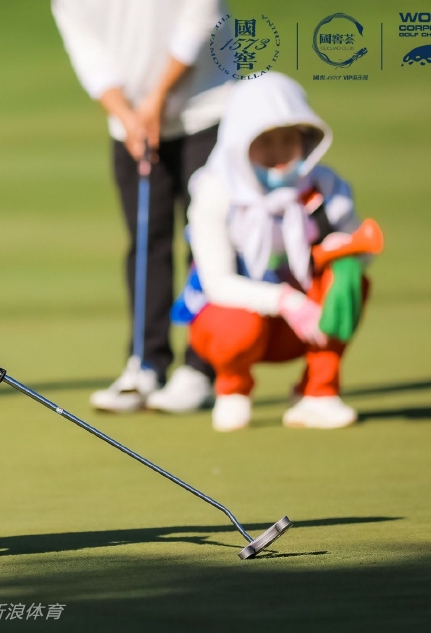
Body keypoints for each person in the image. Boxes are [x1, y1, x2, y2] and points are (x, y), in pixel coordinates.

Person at [51, 0, 233, 413]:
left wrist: (156, 98)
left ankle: (202, 368)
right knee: (146, 241)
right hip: (130, 123)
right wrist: (126, 114)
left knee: (209, 241)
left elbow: (202, 15)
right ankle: (146, 364)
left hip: (206, 108)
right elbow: (90, 57)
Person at [175, 72, 371, 432]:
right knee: (236, 325)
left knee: (348, 280)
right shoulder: (215, 191)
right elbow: (218, 284)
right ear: (240, 142)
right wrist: (287, 301)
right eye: (264, 141)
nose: (277, 152)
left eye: (287, 139)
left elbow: (361, 250)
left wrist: (344, 254)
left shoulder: (325, 186)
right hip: (232, 323)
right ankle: (233, 388)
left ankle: (318, 392)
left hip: (303, 326)